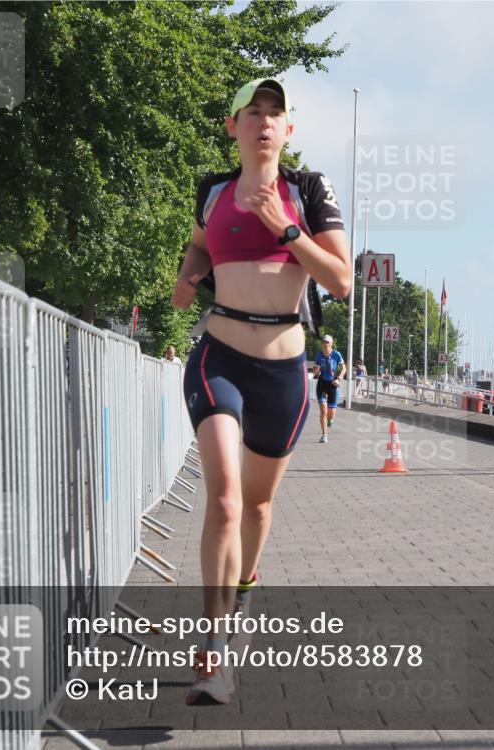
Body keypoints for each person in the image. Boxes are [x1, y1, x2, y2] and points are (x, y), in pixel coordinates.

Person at [171, 78, 350, 704]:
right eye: (254, 112)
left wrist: (287, 231)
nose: (266, 122)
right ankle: (213, 649)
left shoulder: (308, 190)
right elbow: (198, 246)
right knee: (222, 501)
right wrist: (188, 278)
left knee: (256, 507)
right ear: (234, 126)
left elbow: (343, 282)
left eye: (277, 114)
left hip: (283, 367)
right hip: (218, 353)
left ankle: (245, 585)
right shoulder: (213, 189)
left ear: (289, 131)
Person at [312, 334, 344, 443]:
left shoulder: (336, 354)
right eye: (323, 342)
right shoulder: (319, 355)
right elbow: (315, 370)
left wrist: (339, 379)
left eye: (327, 342)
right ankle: (324, 435)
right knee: (323, 410)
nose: (324, 344)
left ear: (331, 344)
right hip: (322, 383)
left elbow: (344, 368)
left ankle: (330, 420)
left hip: (332, 384)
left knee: (331, 414)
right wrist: (315, 371)